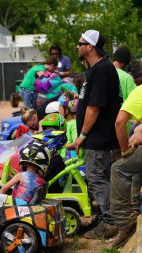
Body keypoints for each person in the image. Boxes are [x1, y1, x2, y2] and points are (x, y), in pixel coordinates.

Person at [74, 30, 121, 239]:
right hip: (99, 137)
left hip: (99, 138)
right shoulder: (96, 69)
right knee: (98, 178)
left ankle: (110, 222)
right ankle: (103, 217)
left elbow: (94, 107)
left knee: (96, 178)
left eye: (80, 43)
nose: (77, 46)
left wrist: (82, 135)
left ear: (90, 46)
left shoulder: (102, 70)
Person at [110, 85, 142, 249]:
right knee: (136, 171)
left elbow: (119, 122)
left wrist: (125, 151)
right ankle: (135, 211)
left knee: (119, 168)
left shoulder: (139, 91)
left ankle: (125, 223)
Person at [112, 47, 137, 137]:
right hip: (122, 127)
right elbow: (134, 102)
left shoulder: (103, 73)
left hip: (103, 128)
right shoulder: (127, 78)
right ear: (124, 63)